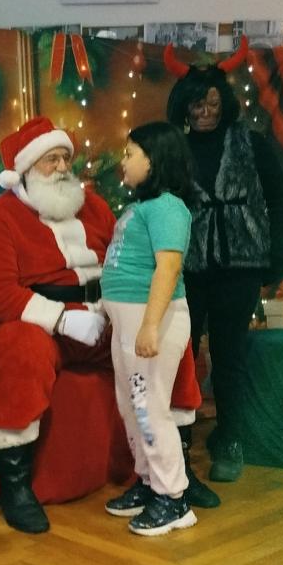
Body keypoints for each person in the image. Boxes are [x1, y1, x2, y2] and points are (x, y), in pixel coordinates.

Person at [0, 116, 207, 535]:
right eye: (50, 159)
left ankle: (175, 473)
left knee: (164, 344)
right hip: (40, 319)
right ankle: (16, 486)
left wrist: (110, 312)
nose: (61, 167)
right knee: (19, 349)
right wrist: (61, 318)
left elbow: (128, 263)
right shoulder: (0, 217)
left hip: (106, 313)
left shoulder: (95, 207)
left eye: (64, 158)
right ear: (26, 167)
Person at [165, 60, 283, 482]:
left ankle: (230, 439)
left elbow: (278, 199)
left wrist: (276, 256)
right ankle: (179, 442)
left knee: (229, 355)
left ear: (225, 104)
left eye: (212, 104)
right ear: (184, 107)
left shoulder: (250, 143)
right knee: (181, 353)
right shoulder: (174, 148)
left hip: (240, 266)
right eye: (197, 105)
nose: (205, 112)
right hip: (188, 267)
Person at [101, 122, 199, 536]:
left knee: (149, 407)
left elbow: (169, 267)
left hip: (151, 318)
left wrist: (150, 326)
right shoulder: (141, 207)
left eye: (130, 154)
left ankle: (173, 498)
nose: (123, 162)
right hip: (129, 319)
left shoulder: (168, 207)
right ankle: (149, 481)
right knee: (131, 406)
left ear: (154, 160)